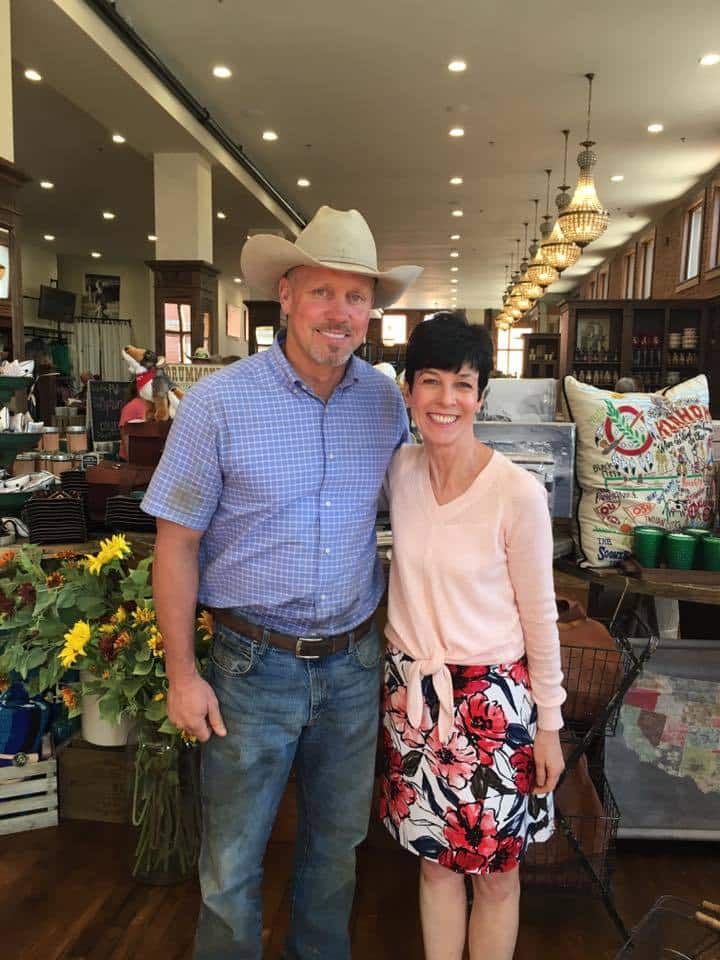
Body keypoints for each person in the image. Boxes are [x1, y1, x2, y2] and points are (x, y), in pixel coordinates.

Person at [141, 205, 422, 960]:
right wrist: (181, 674)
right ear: (288, 295)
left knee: (336, 851)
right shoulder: (218, 405)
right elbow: (175, 545)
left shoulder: (384, 403)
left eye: (356, 296)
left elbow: (417, 505)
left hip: (355, 663)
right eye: (323, 292)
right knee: (232, 860)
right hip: (248, 666)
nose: (340, 312)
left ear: (371, 310)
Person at [381, 312, 566, 960]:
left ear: (481, 394)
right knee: (434, 863)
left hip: (493, 705)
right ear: (408, 391)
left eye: (462, 384)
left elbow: (540, 616)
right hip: (414, 697)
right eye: (430, 382)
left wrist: (550, 724)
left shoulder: (516, 493)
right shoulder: (399, 472)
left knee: (495, 874)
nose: (446, 400)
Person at [118, 379, 147, 460]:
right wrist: (131, 459)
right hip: (134, 460)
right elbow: (125, 434)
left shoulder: (151, 405)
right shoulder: (131, 406)